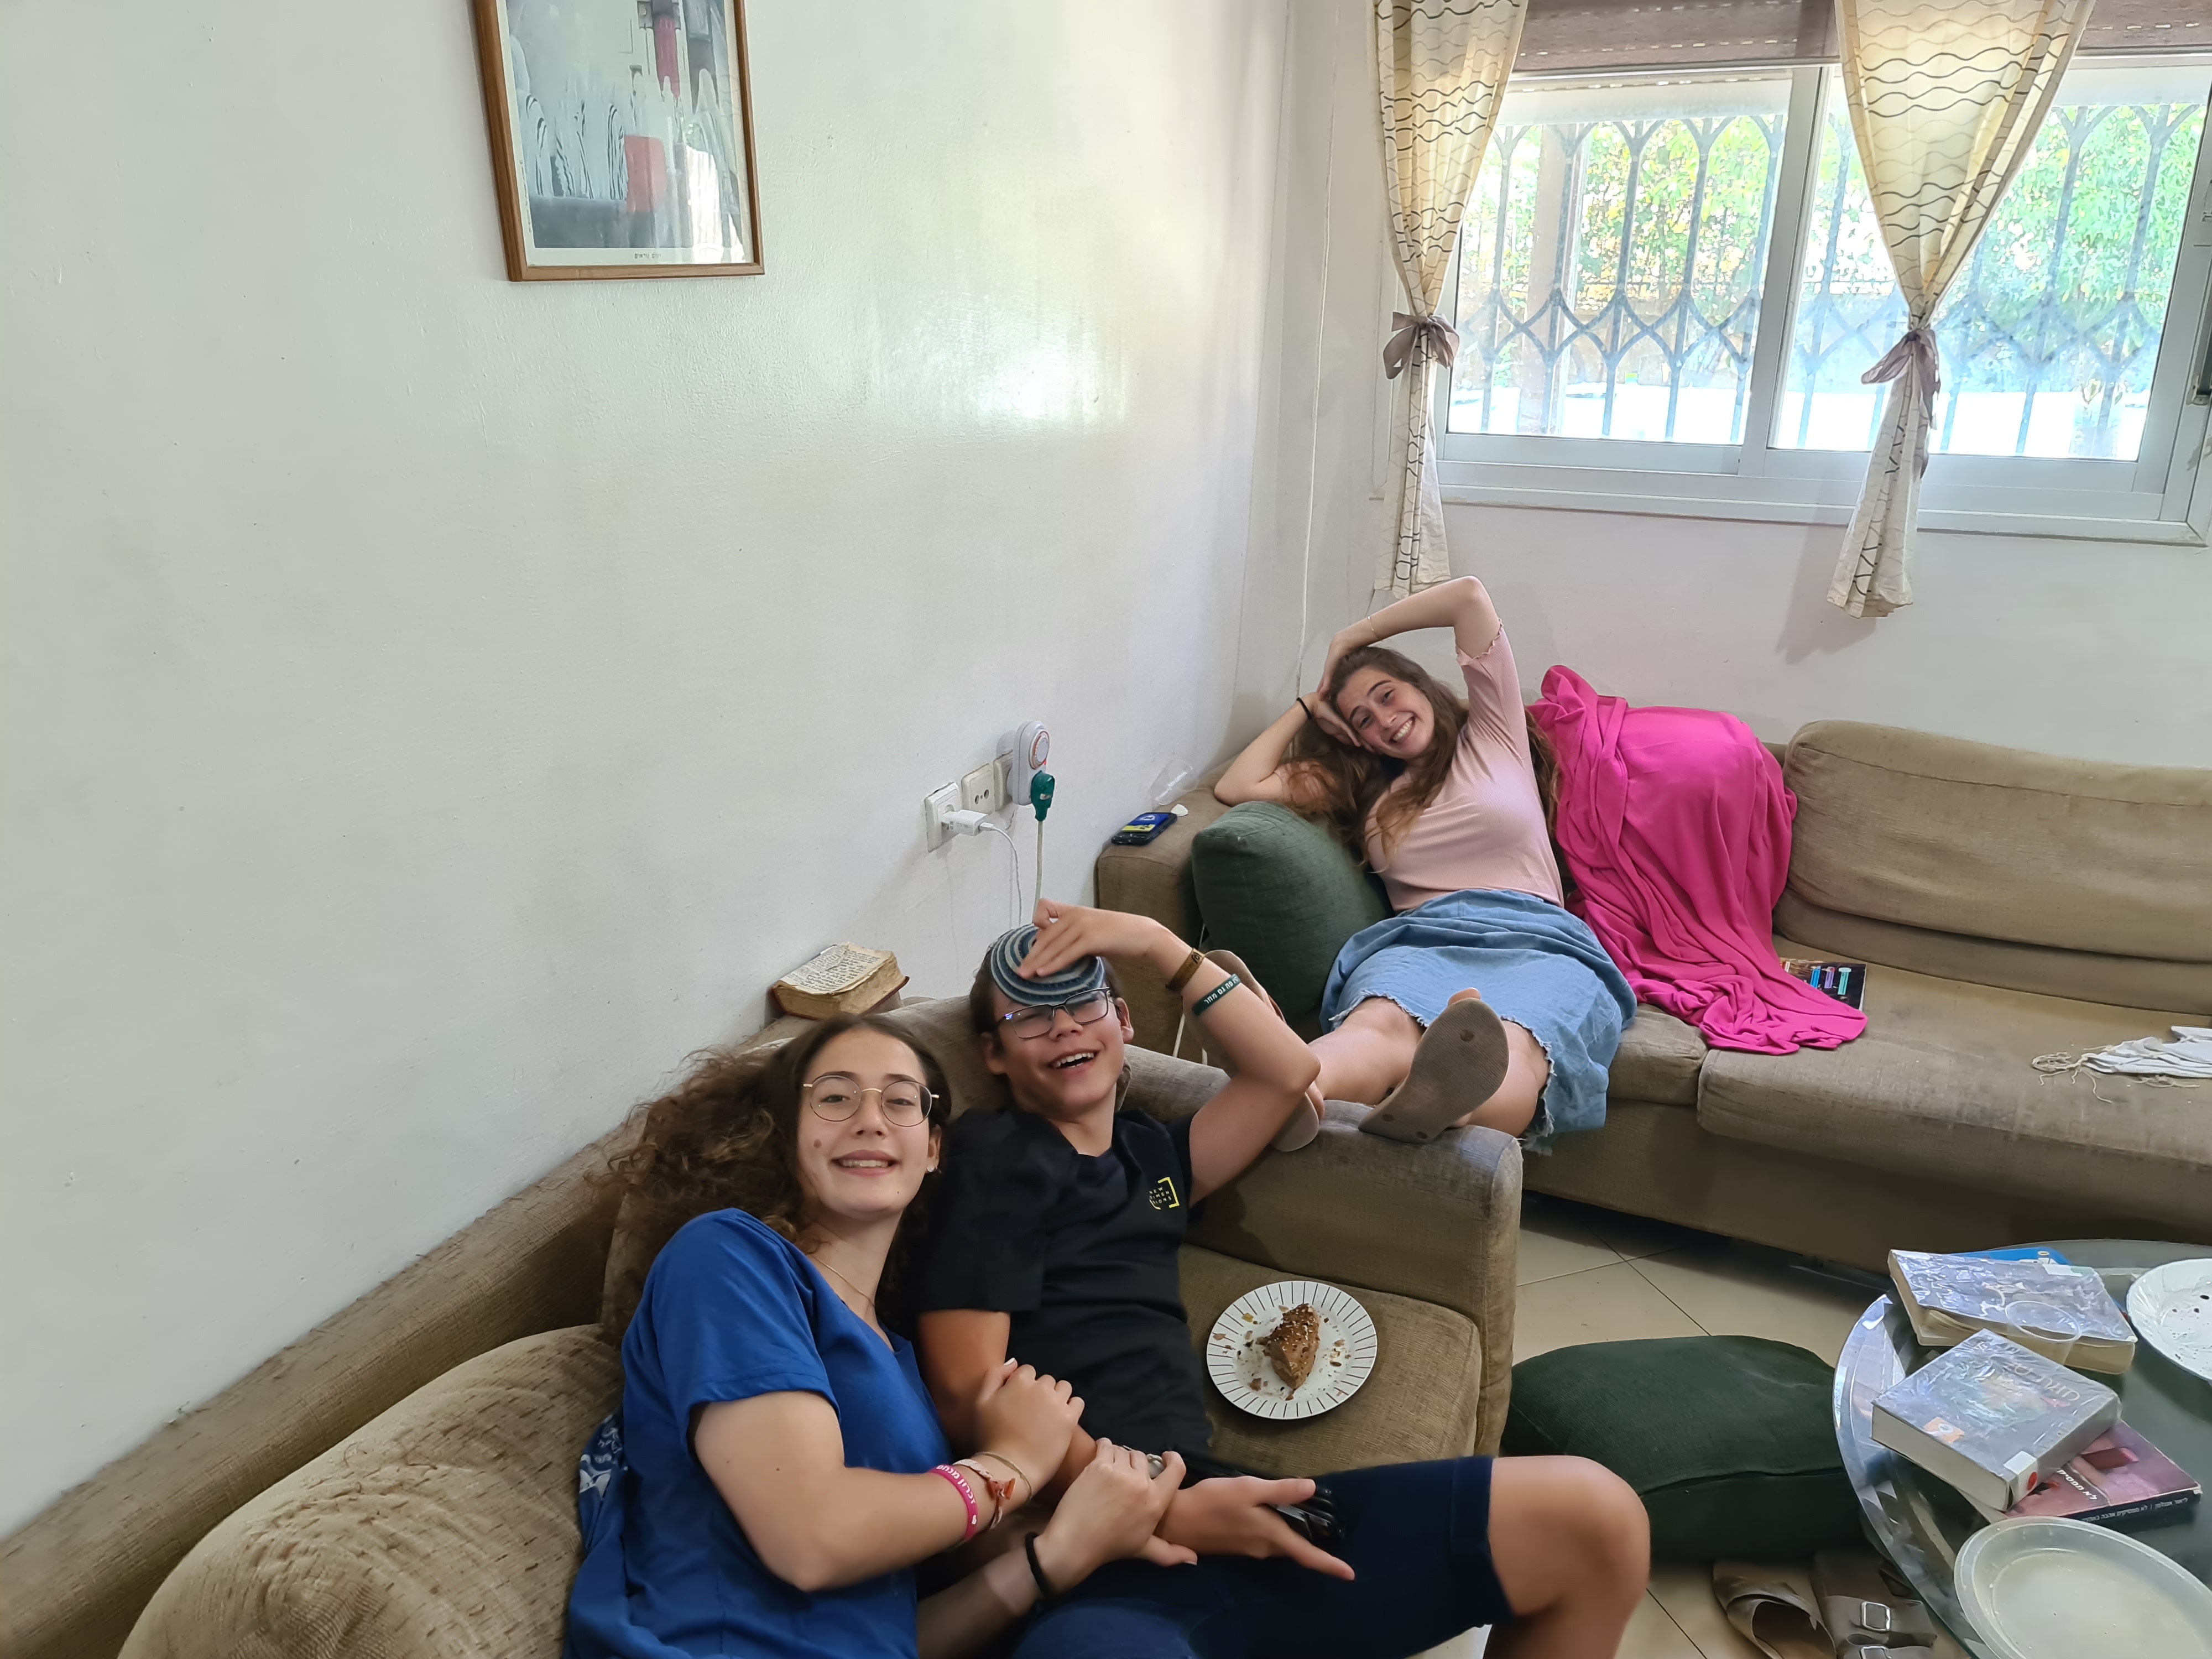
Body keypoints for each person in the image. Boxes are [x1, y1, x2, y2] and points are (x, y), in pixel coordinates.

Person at [916, 909, 1650, 1659]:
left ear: (1125, 1021)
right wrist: (1160, 1508)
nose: (1065, 1027)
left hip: (1215, 1503)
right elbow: (970, 1390)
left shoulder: (1152, 1157)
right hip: (1097, 1543)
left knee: (1597, 1518)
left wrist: (1159, 945)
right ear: (993, 1054)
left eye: (1085, 1003)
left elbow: (1287, 1075)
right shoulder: (999, 1159)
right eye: (1031, 1018)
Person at [566, 1014, 1191, 1659]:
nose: (870, 1120)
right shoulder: (727, 1258)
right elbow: (811, 1539)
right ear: (785, 1132)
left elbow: (883, 1638)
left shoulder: (899, 1360)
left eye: (900, 1101)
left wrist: (1057, 1556)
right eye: (836, 1097)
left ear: (934, 1148)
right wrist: (1012, 1466)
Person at [1214, 575, 1636, 1149]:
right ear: (1355, 738)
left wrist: (1354, 637)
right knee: (1378, 1024)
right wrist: (1308, 706)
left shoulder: (1493, 736)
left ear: (1420, 685)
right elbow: (1238, 786)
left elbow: (1468, 597)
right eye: (1362, 719)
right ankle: (1291, 1085)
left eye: (1387, 695)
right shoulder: (1358, 785)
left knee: (1516, 1040)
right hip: (1421, 937)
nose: (1383, 719)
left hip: (1538, 941)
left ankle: (1450, 1106)